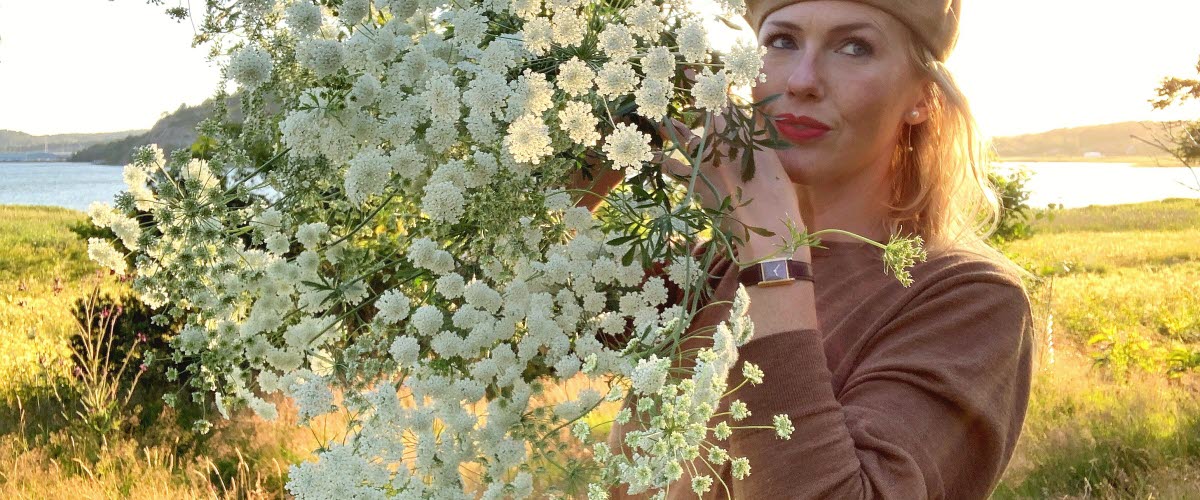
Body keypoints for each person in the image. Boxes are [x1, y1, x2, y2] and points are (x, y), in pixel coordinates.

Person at [594, 0, 1036, 498]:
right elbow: (517, 306)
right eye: (781, 42)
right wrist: (605, 123)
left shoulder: (969, 300)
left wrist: (772, 255)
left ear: (924, 98)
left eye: (854, 47)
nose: (803, 80)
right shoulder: (710, 267)